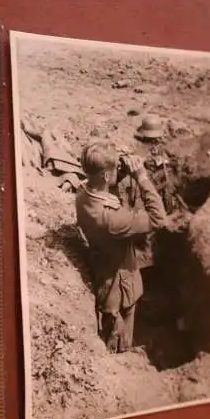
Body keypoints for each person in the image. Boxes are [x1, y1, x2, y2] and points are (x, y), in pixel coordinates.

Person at [75, 139, 166, 354]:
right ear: (106, 175)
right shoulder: (113, 219)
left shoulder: (83, 195)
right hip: (119, 287)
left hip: (103, 267)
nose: (118, 169)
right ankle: (125, 357)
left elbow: (104, 191)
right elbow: (159, 219)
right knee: (119, 341)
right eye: (115, 168)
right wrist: (142, 178)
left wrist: (118, 171)